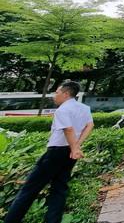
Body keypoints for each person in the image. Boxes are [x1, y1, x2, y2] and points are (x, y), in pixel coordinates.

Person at [4, 80, 94, 223]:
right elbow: (90, 125)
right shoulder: (84, 108)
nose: (54, 95)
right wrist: (76, 147)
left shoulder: (62, 110)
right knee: (59, 189)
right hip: (70, 154)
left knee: (29, 190)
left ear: (65, 94)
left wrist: (74, 147)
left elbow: (68, 129)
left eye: (57, 92)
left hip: (55, 152)